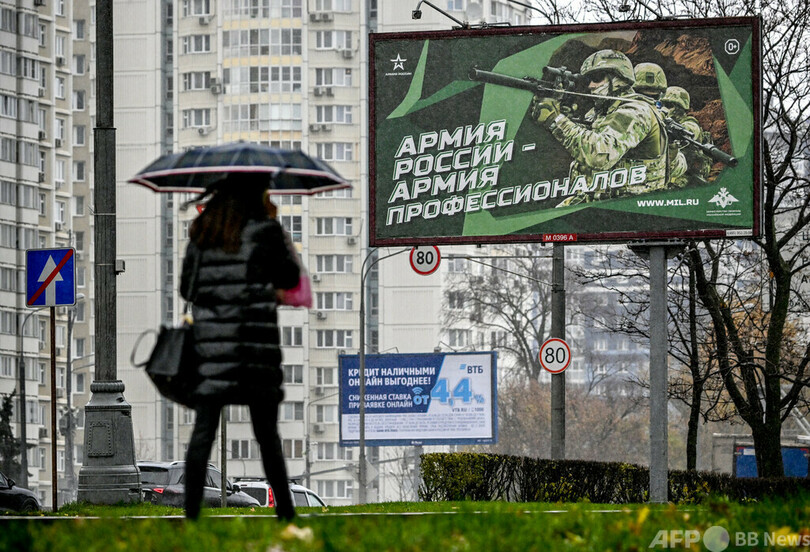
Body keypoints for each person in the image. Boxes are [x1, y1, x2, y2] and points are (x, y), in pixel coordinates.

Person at [179, 174, 301, 521]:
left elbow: (187, 288)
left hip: (213, 348)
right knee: (267, 435)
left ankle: (191, 516)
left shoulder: (203, 232)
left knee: (203, 432)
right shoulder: (266, 230)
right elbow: (290, 278)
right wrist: (281, 236)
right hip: (255, 345)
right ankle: (286, 513)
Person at [531, 50, 668, 205]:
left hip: (633, 206)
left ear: (619, 78)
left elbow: (600, 155)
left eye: (597, 78)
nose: (591, 85)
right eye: (588, 80)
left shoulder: (636, 111)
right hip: (598, 198)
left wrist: (555, 119)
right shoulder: (602, 111)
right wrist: (563, 116)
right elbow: (589, 137)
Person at [633, 63, 687, 186]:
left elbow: (677, 169)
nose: (647, 103)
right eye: (642, 96)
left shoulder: (660, 119)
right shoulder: (618, 114)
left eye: (654, 97)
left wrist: (671, 147)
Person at [661, 85, 713, 187]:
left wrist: (675, 131)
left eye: (668, 105)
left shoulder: (690, 122)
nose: (663, 108)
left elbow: (690, 130)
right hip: (671, 168)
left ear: (679, 108)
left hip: (687, 175)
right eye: (661, 104)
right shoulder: (663, 120)